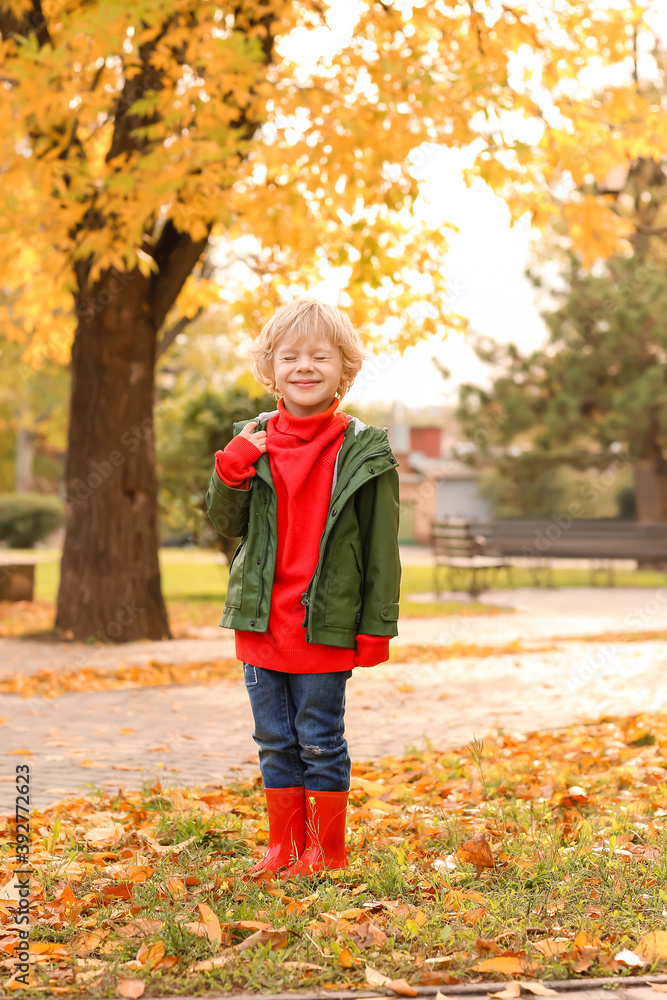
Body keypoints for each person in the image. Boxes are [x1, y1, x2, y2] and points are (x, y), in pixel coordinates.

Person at [205, 298, 401, 876]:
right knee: (273, 738)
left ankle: (328, 851)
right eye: (289, 356)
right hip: (262, 622)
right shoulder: (252, 440)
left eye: (321, 355)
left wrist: (376, 626)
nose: (305, 367)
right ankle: (283, 847)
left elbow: (381, 552)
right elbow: (224, 523)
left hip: (326, 624)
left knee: (319, 737)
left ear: (345, 367)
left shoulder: (364, 450)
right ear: (270, 369)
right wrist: (230, 468)